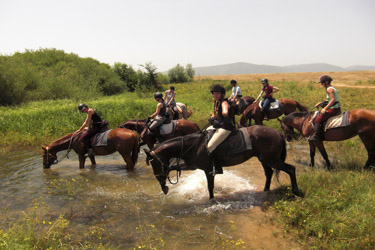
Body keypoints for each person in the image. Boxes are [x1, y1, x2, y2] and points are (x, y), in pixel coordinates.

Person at [207, 84, 235, 175]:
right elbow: (216, 114)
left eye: (217, 94)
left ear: (222, 94)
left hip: (226, 127)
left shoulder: (224, 102)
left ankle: (218, 168)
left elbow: (225, 113)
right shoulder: (217, 102)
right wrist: (212, 118)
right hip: (220, 125)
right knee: (204, 133)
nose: (215, 95)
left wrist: (220, 118)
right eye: (214, 93)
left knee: (210, 146)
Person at [309, 75, 341, 141]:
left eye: (322, 83)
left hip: (333, 109)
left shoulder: (329, 89)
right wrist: (321, 103)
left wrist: (325, 108)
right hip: (336, 107)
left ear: (326, 82)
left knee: (317, 120)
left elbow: (333, 100)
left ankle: (316, 136)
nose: (321, 84)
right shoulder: (333, 88)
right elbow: (331, 100)